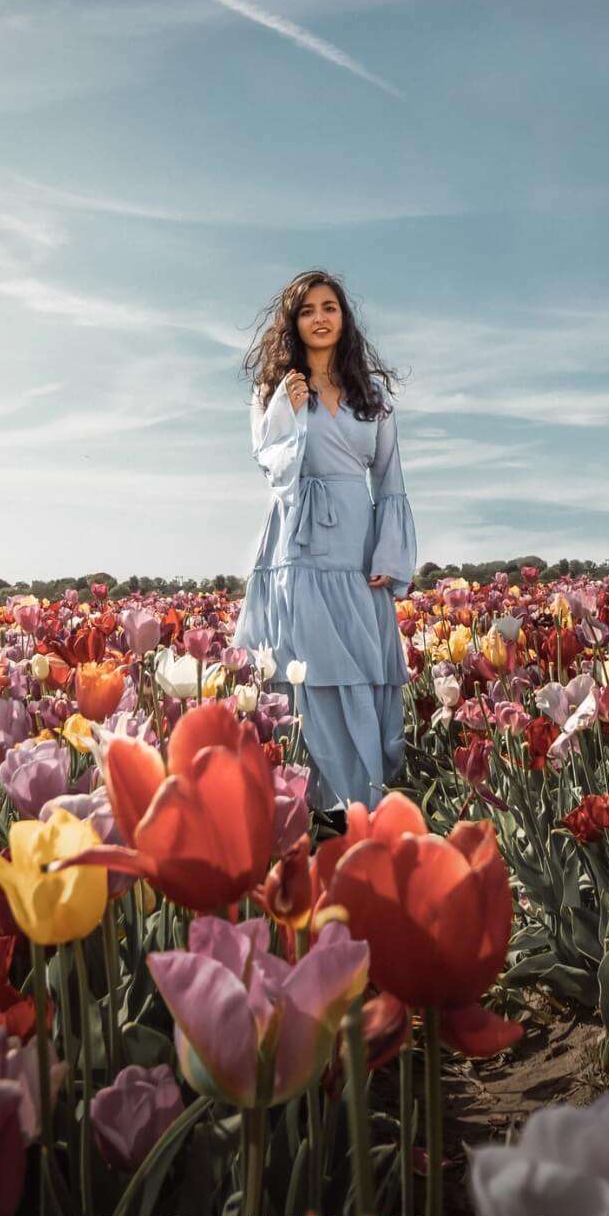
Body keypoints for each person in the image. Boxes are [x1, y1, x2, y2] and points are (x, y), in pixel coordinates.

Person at [230, 270, 417, 824]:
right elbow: (271, 465)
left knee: (361, 664)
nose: (319, 317)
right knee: (306, 667)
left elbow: (390, 477)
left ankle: (364, 805)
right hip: (298, 543)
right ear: (293, 323)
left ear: (343, 317)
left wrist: (389, 552)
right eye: (307, 309)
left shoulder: (372, 396)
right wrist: (286, 410)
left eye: (329, 307)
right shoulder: (272, 391)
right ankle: (310, 809)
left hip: (357, 548)